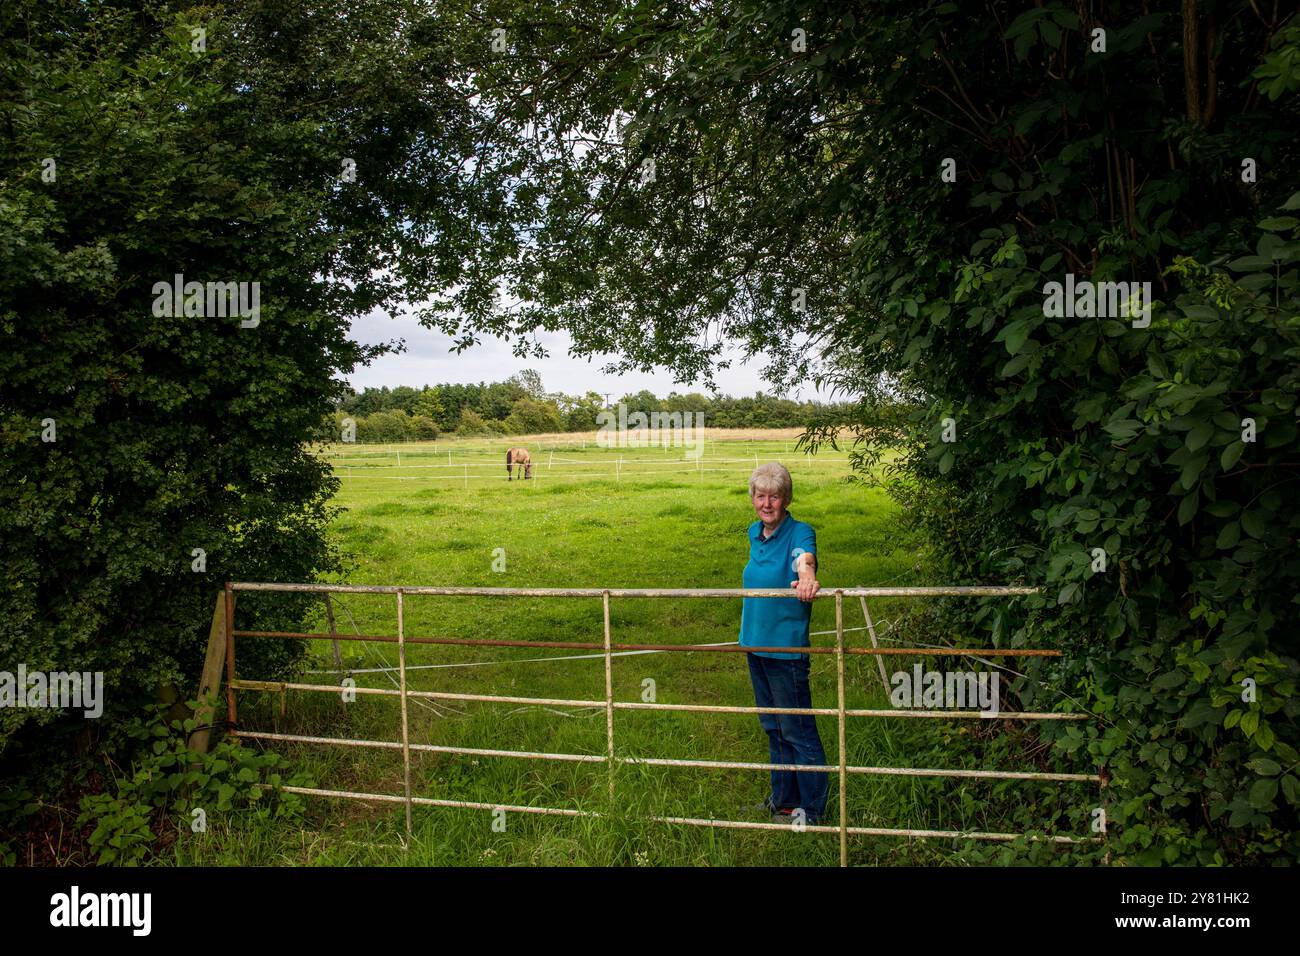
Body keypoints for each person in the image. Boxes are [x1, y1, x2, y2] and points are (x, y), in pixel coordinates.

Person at [740, 462, 829, 825]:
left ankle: (813, 810)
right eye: (760, 496)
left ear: (786, 499)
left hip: (785, 650)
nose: (767, 504)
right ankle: (783, 802)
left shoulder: (799, 532)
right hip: (755, 646)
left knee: (797, 730)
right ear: (753, 499)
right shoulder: (753, 532)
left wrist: (807, 576)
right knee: (773, 727)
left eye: (774, 497)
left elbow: (803, 560)